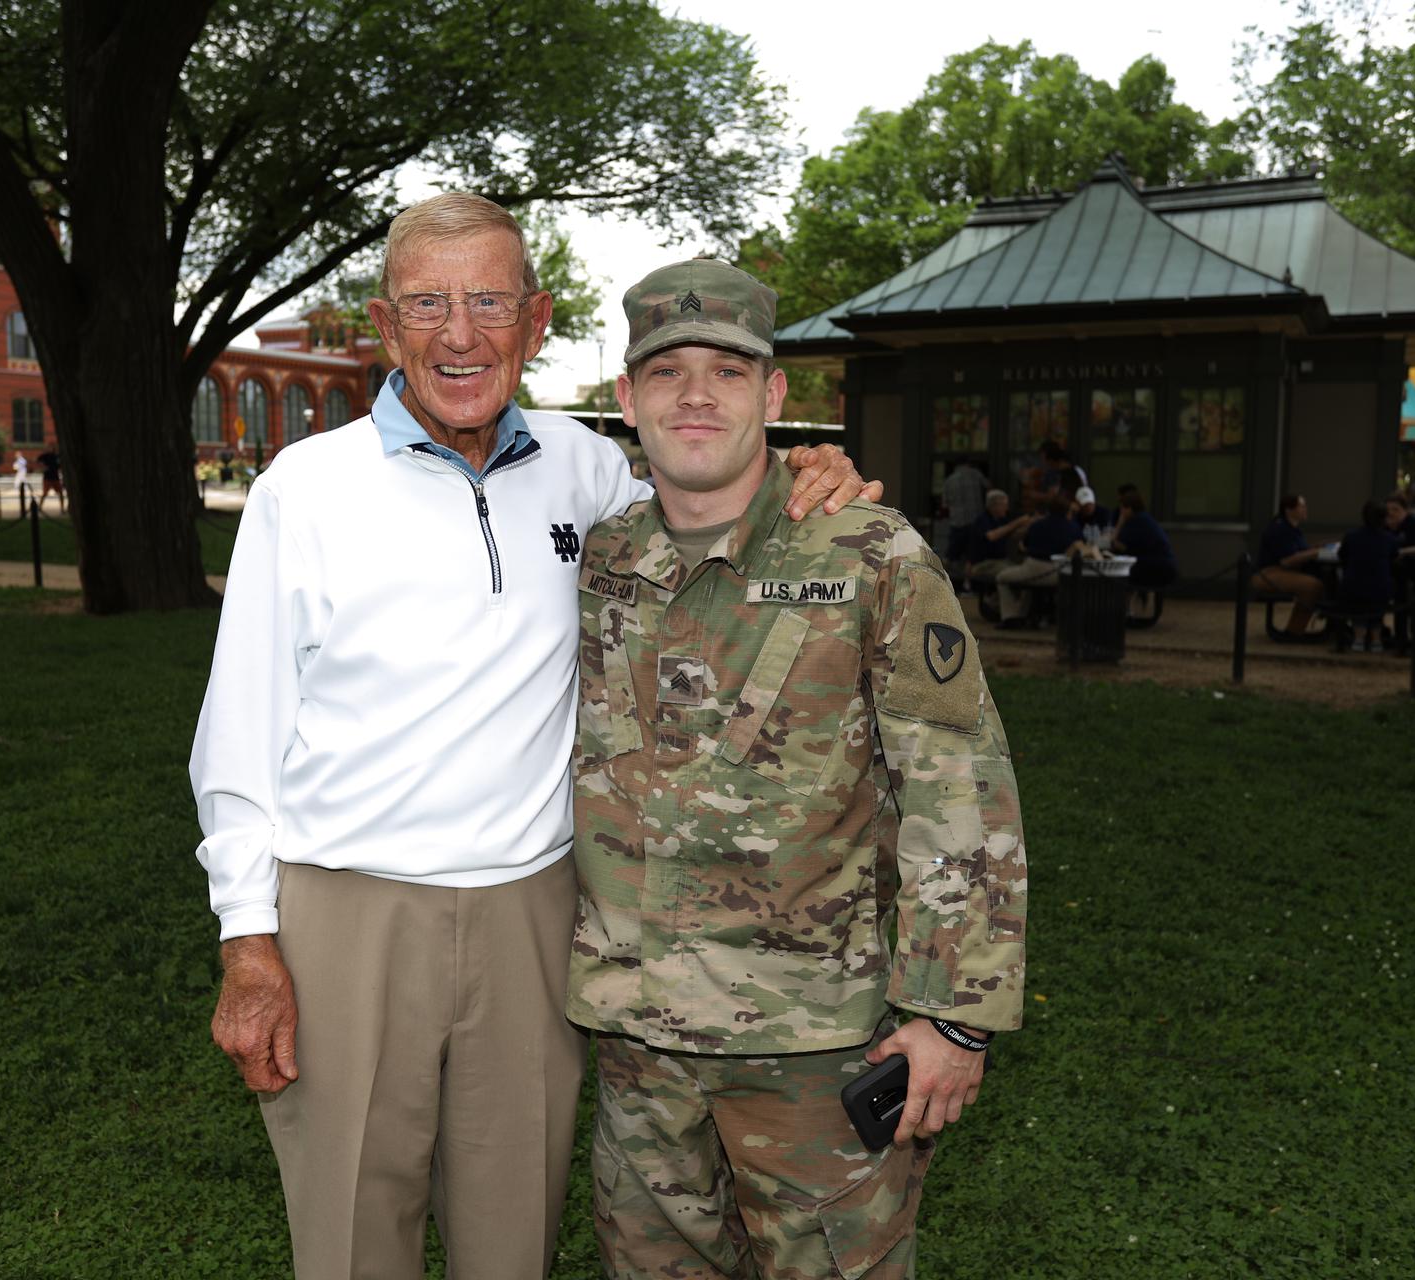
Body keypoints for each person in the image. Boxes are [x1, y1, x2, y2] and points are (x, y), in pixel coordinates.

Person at [188, 195, 877, 1280]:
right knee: (351, 1235)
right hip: (347, 909)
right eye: (428, 303)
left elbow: (712, 509)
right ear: (384, 326)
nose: (459, 333)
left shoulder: (587, 469)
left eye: (489, 302)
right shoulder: (305, 490)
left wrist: (809, 481)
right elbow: (238, 734)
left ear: (537, 319)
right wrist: (248, 938)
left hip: (537, 913)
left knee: (512, 1237)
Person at [568, 255, 1025, 1280]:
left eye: (727, 371)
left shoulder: (870, 555)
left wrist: (954, 1013)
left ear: (773, 394)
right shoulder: (605, 558)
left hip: (816, 1047)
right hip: (640, 1044)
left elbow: (961, 787)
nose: (695, 393)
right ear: (627, 397)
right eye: (666, 369)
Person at [991, 494, 1084, 624]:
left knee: (1001, 578)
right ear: (1068, 510)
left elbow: (1025, 547)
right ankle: (1025, 614)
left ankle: (1011, 616)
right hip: (1060, 572)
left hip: (1034, 568)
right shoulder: (1074, 527)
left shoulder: (1037, 525)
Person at [1251, 493, 1328, 637]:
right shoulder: (1280, 529)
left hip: (1283, 571)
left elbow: (1297, 551)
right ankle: (1294, 631)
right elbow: (1287, 560)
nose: (1305, 509)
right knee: (1313, 586)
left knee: (1326, 580)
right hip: (1269, 573)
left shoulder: (1292, 528)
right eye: (1302, 506)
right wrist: (1315, 552)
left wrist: (1315, 548)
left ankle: (1318, 626)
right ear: (1288, 509)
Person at [1335, 500, 1395, 652]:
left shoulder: (1351, 536)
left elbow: (1342, 556)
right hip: (1381, 588)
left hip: (1353, 586)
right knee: (1377, 608)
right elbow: (1394, 558)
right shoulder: (1389, 539)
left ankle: (1358, 639)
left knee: (1358, 609)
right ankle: (1376, 640)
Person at [1112, 488, 1175, 592]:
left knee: (1123, 574)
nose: (1121, 512)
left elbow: (1117, 544)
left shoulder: (1135, 522)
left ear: (1129, 509)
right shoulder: (1145, 519)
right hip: (1165, 565)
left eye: (1122, 508)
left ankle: (1128, 606)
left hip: (1156, 566)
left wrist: (1119, 523)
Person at [941, 458, 989, 589]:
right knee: (971, 555)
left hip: (957, 521)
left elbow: (944, 504)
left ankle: (942, 582)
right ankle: (968, 584)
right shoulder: (976, 474)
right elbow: (988, 487)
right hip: (975, 520)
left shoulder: (949, 480)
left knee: (950, 554)